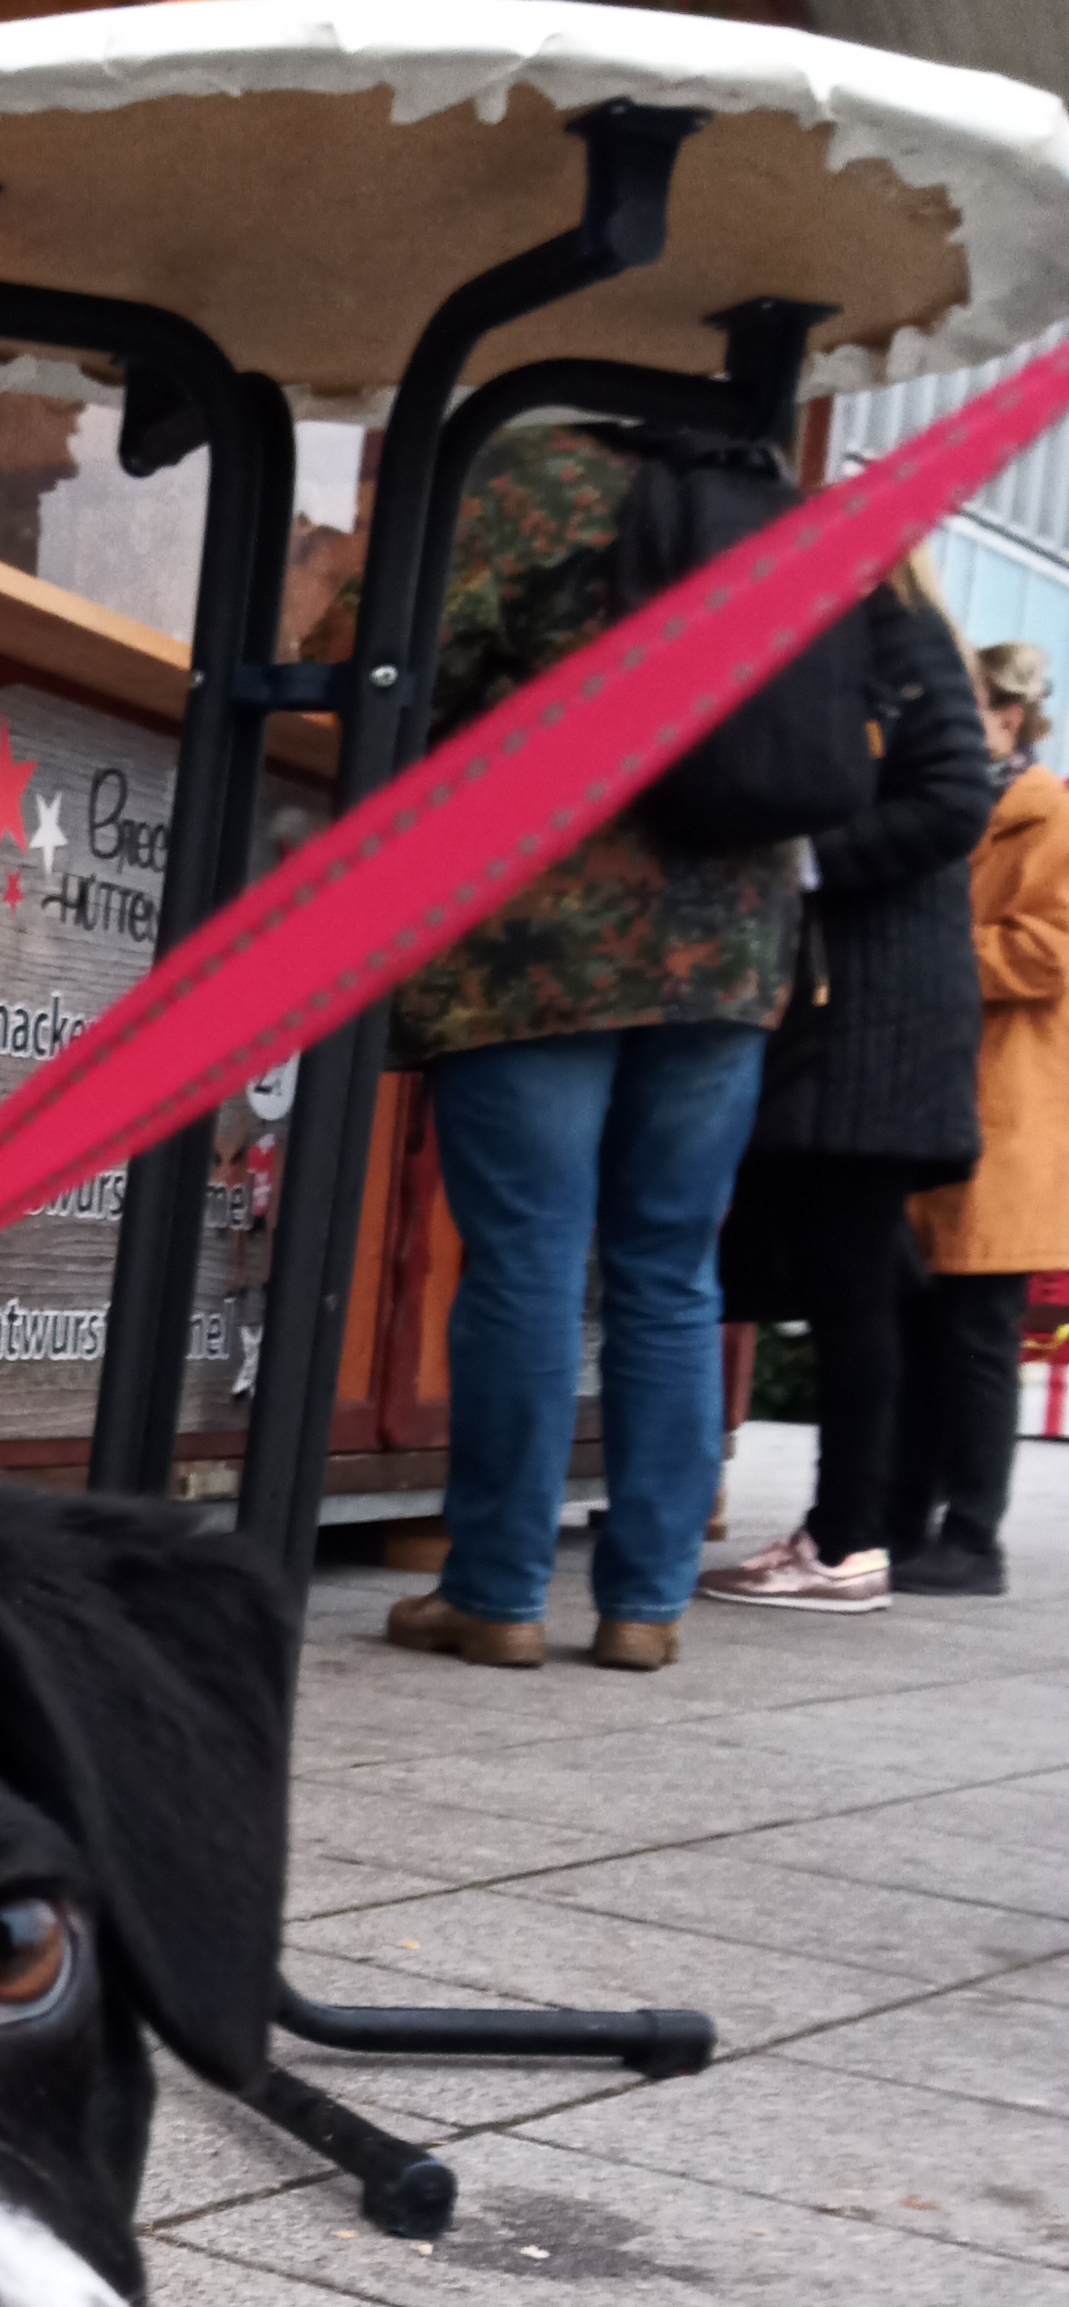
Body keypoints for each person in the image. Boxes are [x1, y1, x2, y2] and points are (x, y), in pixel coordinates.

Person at [380, 422, 802, 1674]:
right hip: (730, 942)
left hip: (541, 934)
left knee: (529, 1259)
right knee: (671, 1272)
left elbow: (394, 662)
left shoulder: (529, 475)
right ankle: (646, 1607)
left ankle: (498, 1594)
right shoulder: (773, 499)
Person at [701, 567, 993, 1609]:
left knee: (851, 1282)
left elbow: (954, 800)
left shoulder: (893, 629)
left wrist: (800, 862)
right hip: (861, 1012)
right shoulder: (884, 629)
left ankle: (847, 1538)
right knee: (871, 1283)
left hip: (870, 1013)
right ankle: (878, 1525)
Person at [891, 639, 1069, 1593]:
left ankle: (973, 1538)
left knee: (976, 1334)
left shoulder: (1050, 817)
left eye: (968, 707)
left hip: (1006, 1111)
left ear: (1009, 715)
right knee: (917, 1326)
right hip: (933, 1103)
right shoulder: (944, 808)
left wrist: (933, 950)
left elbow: (1049, 952)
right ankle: (900, 1521)